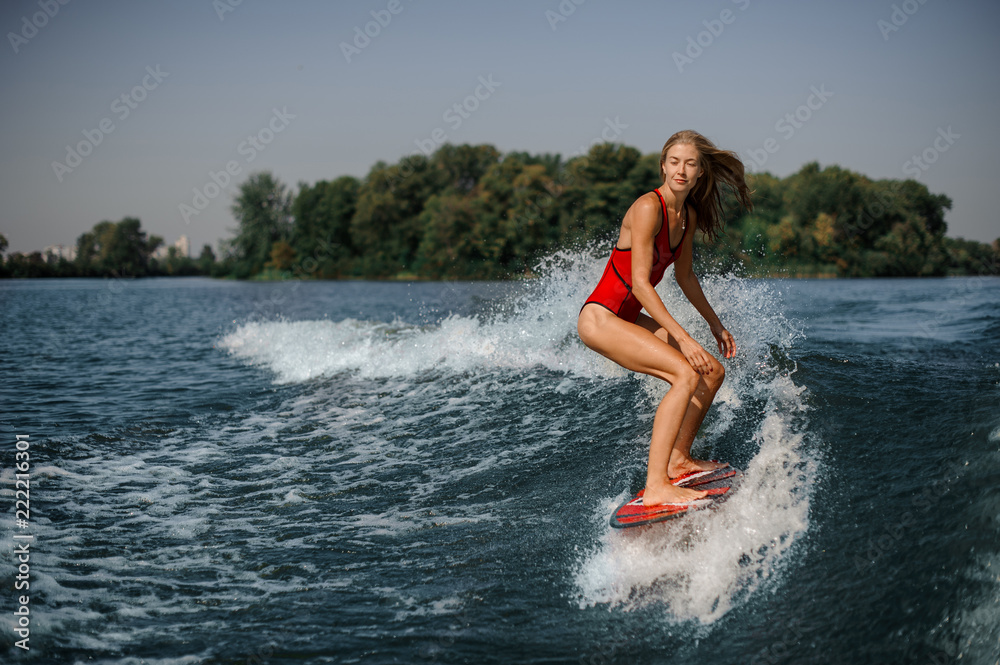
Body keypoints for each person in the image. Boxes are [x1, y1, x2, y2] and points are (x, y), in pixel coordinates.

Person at [577, 130, 753, 507]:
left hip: (624, 317)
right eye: (674, 162)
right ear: (663, 165)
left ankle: (677, 460)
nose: (681, 170)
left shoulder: (687, 216)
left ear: (700, 172)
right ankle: (656, 484)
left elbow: (685, 276)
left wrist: (714, 323)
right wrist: (684, 339)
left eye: (690, 163)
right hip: (600, 317)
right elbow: (640, 283)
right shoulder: (647, 207)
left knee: (712, 372)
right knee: (685, 372)